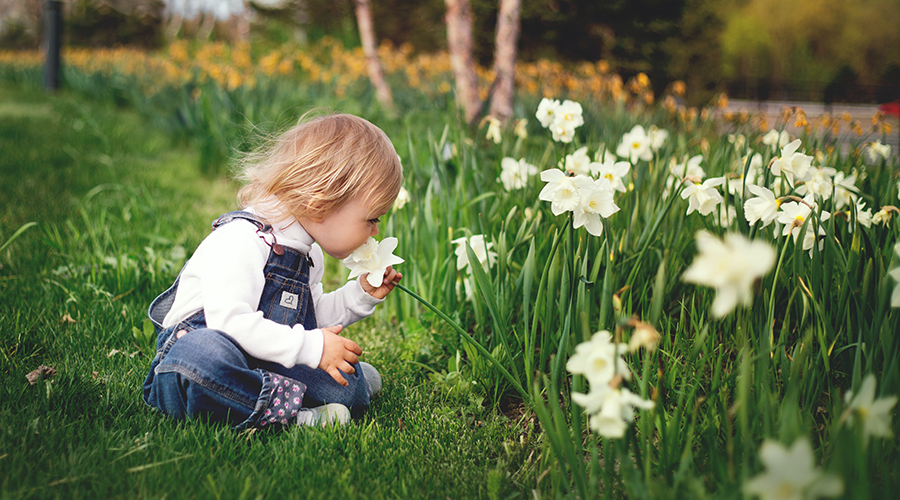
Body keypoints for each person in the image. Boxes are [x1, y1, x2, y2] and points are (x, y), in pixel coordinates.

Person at [142, 113, 403, 429]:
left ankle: (336, 387)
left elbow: (310, 318)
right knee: (202, 358)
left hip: (261, 356)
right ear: (320, 204)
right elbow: (230, 324)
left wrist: (359, 295)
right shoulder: (242, 240)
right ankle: (294, 417)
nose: (375, 232)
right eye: (372, 219)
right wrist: (311, 347)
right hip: (201, 357)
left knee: (347, 388)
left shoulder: (309, 254)